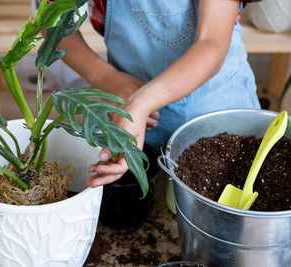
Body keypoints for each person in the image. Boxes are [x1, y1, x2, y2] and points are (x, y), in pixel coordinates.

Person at [57, 0, 261, 187]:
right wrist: (106, 80)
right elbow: (52, 24)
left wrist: (138, 105)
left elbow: (212, 41)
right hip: (125, 107)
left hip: (217, 106)